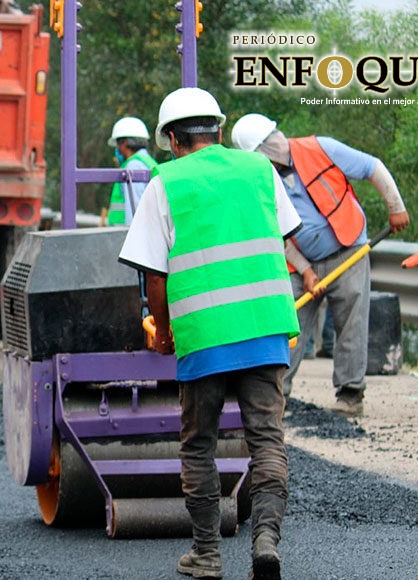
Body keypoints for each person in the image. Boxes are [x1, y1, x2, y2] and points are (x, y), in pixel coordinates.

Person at [119, 88, 301, 580]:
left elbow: (154, 275)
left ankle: (207, 553)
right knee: (267, 441)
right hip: (265, 328)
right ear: (220, 132)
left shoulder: (166, 182)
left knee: (199, 442)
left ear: (173, 139)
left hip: (204, 333)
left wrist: (163, 332)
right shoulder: (259, 170)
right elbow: (282, 234)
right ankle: (266, 541)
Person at [231, 113, 410, 417]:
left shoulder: (321, 148)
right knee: (288, 324)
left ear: (266, 149)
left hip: (348, 250)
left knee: (351, 321)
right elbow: (277, 234)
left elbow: (372, 167)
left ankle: (350, 395)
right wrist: (306, 271)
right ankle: (276, 396)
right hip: (300, 263)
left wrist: (397, 207)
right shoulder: (260, 180)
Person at [106, 116, 158, 226]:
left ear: (124, 143)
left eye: (118, 145)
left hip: (126, 235)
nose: (117, 150)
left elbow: (134, 208)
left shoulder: (133, 166)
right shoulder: (149, 162)